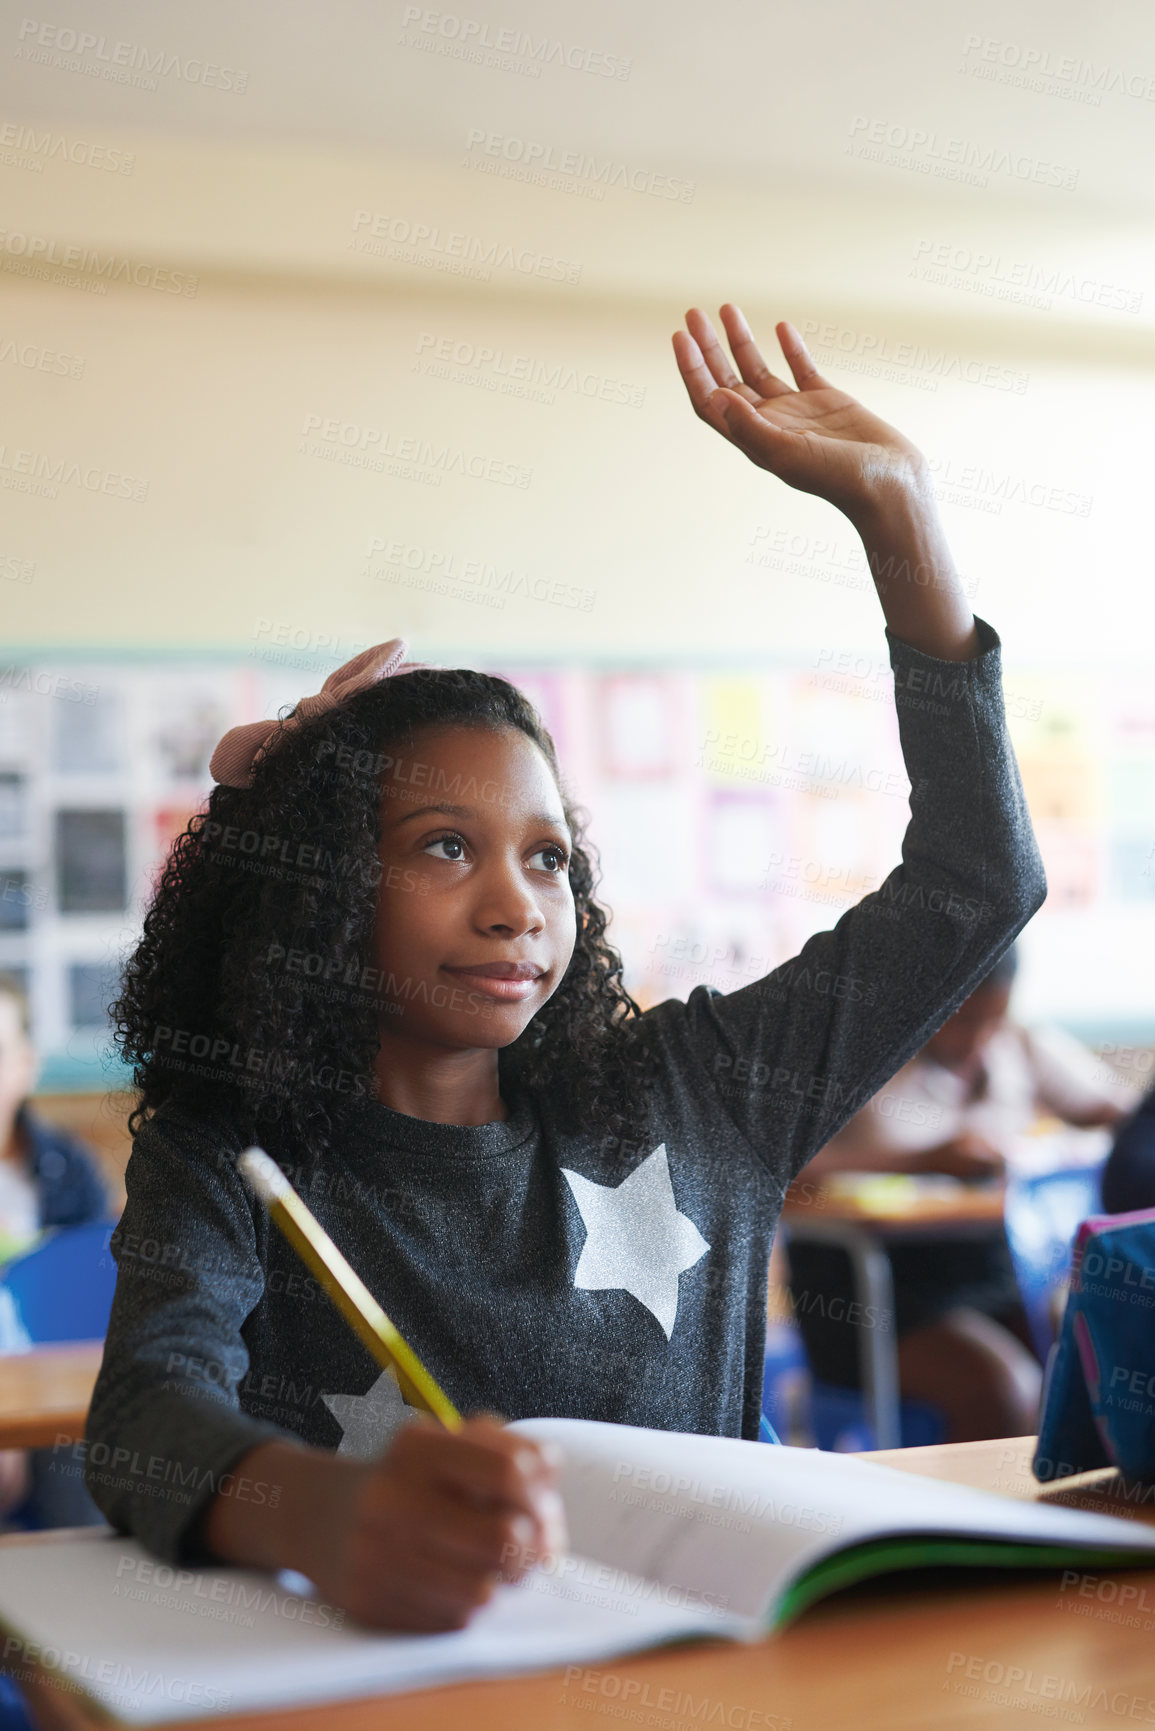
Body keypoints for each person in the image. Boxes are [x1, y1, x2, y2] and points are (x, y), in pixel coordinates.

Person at [82, 306, 1046, 1634]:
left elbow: (970, 886)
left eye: (545, 858)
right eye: (441, 845)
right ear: (321, 887)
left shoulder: (691, 1091)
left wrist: (900, 524)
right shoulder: (236, 1144)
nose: (512, 906)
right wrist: (329, 1511)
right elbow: (141, 1418)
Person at [786, 947, 1134, 1441]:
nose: (978, 1039)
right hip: (874, 1294)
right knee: (1003, 1387)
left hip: (988, 1271)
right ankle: (977, 1518)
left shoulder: (1014, 1042)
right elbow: (787, 1174)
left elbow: (1118, 1111)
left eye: (993, 1020)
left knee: (1091, 1356)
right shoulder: (857, 1056)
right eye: (963, 1019)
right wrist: (925, 1161)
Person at [0, 972, 111, 1523]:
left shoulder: (67, 1170)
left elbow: (95, 1292)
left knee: (82, 1461)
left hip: (53, 1396)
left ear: (25, 1064)